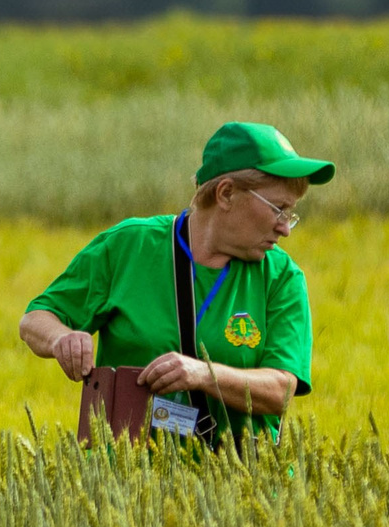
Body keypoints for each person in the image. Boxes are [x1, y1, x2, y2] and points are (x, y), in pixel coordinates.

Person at [19, 121, 335, 443]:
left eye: (290, 213)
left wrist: (202, 375)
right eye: (278, 210)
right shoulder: (130, 246)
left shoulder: (282, 277)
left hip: (238, 482)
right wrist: (62, 339)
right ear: (226, 193)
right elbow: (36, 319)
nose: (286, 228)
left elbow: (281, 391)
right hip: (126, 480)